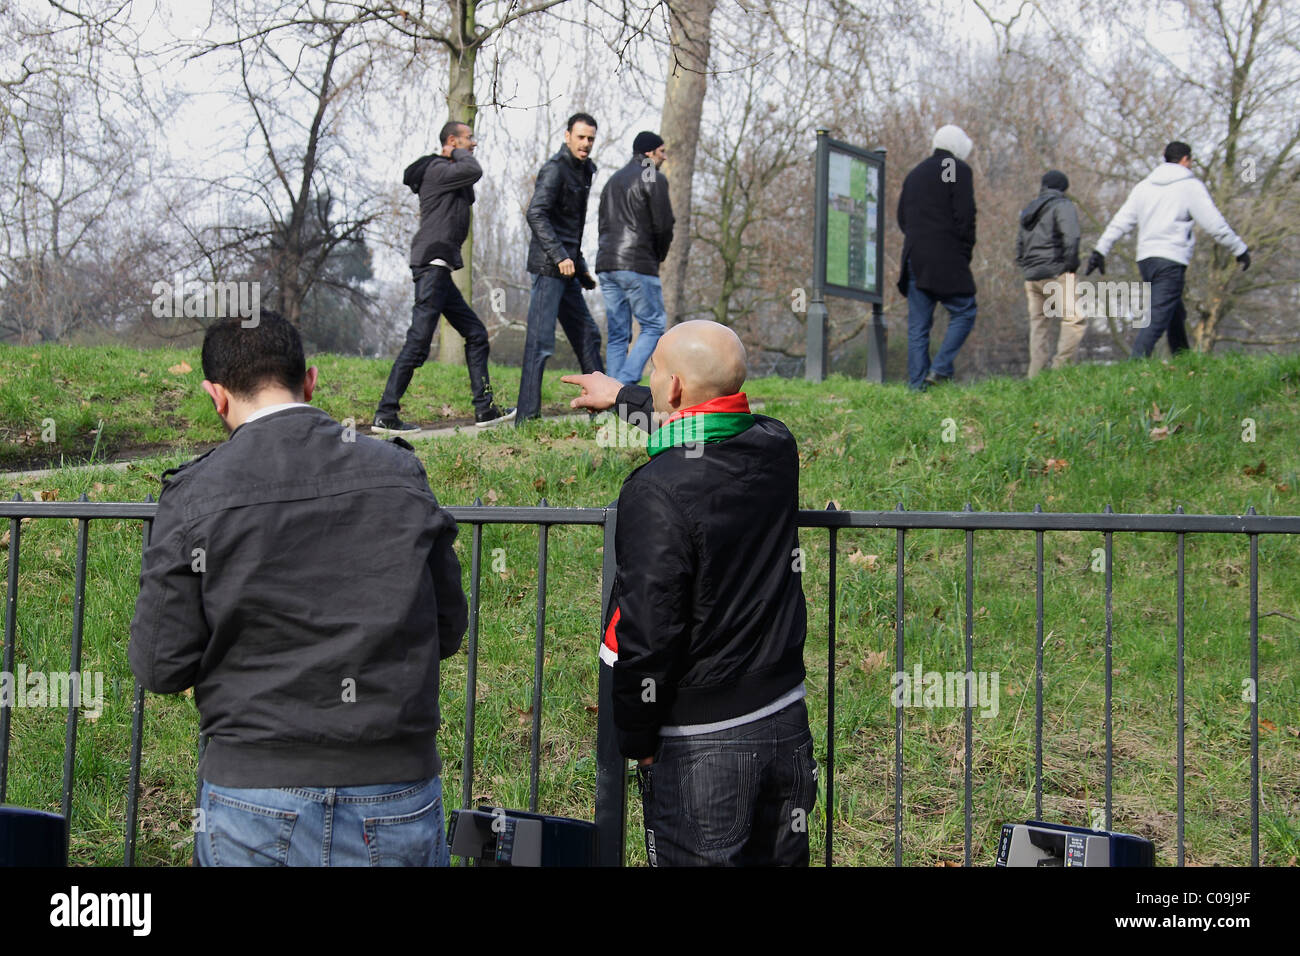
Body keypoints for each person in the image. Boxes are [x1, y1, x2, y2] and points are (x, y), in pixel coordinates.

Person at [129, 313, 468, 867]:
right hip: (394, 788)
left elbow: (160, 664)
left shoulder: (195, 494)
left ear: (215, 396)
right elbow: (448, 628)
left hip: (253, 795)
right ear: (309, 381)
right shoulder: (398, 473)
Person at [562, 321, 816, 867]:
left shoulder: (656, 490)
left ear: (672, 388)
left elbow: (649, 632)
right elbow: (710, 422)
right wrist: (622, 398)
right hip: (785, 719)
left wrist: (638, 740)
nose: (649, 380)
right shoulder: (776, 446)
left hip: (702, 744)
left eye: (652, 371)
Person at [374, 119, 514, 434]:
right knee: (419, 343)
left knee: (476, 333)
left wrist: (457, 154)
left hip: (440, 267)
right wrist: (455, 152)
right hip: (433, 265)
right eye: (469, 139)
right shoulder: (437, 169)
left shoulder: (446, 174)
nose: (474, 143)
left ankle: (485, 409)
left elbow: (469, 192)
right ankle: (385, 413)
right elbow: (473, 171)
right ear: (451, 140)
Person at [1086, 141, 1250, 358]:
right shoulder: (1189, 186)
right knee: (1158, 316)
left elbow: (1121, 221)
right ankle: (1135, 366)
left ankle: (1183, 359)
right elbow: (1214, 224)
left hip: (1146, 260)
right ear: (1185, 159)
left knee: (1174, 311)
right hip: (1170, 259)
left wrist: (1100, 250)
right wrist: (1239, 248)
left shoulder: (1143, 187)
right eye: (1190, 161)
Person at [515, 112, 605, 425]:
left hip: (568, 271)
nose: (586, 144)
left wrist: (580, 269)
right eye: (581, 137)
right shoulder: (554, 170)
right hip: (548, 267)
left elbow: (572, 227)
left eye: (591, 138)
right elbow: (536, 214)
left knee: (589, 336)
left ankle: (601, 411)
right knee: (539, 344)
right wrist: (558, 256)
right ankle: (526, 419)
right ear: (567, 136)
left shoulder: (585, 171)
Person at [897, 124, 978, 390]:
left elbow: (902, 218)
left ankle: (917, 386)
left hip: (914, 257)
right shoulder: (953, 168)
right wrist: (964, 250)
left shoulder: (915, 174)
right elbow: (965, 215)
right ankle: (941, 369)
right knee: (965, 310)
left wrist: (919, 238)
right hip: (946, 256)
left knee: (918, 327)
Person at [595, 131, 674, 385]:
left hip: (607, 264)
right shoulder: (654, 177)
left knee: (618, 334)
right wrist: (658, 255)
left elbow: (602, 223)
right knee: (653, 325)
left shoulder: (613, 180)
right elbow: (663, 225)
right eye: (662, 151)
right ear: (649, 153)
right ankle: (625, 384)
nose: (664, 157)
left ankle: (610, 397)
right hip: (637, 263)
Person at [1016, 169, 1084, 377]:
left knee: (1039, 326)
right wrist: (1070, 267)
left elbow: (1019, 245)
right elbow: (1071, 237)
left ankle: (1035, 375)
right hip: (1056, 272)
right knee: (1074, 319)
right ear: (1064, 188)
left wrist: (1026, 267)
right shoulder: (1063, 205)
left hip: (1032, 276)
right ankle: (1060, 370)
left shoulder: (1029, 211)